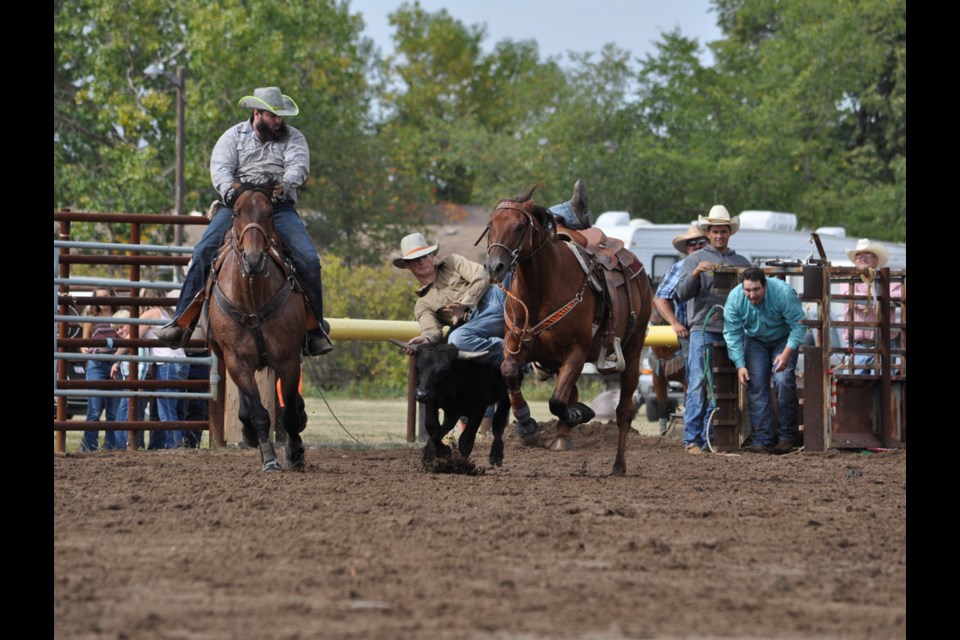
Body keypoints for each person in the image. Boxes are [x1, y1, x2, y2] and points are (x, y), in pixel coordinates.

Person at [156, 86, 333, 357]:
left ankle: (314, 329)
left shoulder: (293, 138)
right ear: (257, 113)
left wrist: (285, 184)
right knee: (203, 251)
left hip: (277, 207)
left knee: (309, 260)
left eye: (280, 116)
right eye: (273, 115)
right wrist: (233, 192)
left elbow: (299, 167)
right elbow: (221, 170)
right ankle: (183, 320)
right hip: (237, 207)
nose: (279, 121)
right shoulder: (232, 137)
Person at [392, 232, 508, 437]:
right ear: (408, 266)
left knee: (510, 269)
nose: (421, 261)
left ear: (431, 255)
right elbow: (432, 332)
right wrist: (425, 340)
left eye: (424, 255)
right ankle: (514, 352)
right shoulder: (423, 304)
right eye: (414, 260)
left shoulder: (453, 262)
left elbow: (482, 275)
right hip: (475, 327)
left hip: (496, 298)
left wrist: (464, 304)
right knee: (456, 339)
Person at [676, 205, 751, 454]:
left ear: (730, 232)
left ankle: (713, 437)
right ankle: (692, 440)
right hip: (703, 327)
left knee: (725, 385)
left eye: (723, 231)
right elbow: (682, 294)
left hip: (734, 330)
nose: (719, 235)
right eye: (715, 231)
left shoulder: (742, 263)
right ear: (708, 233)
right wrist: (696, 274)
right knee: (698, 382)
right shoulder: (694, 260)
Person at [723, 268, 806, 454]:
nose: (752, 295)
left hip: (783, 339)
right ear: (742, 287)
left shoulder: (783, 293)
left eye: (756, 290)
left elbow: (799, 325)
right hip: (755, 340)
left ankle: (786, 437)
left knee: (784, 381)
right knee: (756, 385)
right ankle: (762, 439)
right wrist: (740, 364)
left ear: (765, 285)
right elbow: (732, 332)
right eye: (748, 290)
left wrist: (786, 353)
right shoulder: (736, 298)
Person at [843, 238, 902, 374]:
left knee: (882, 387)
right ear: (855, 262)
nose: (862, 259)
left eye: (867, 255)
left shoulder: (888, 278)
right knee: (853, 386)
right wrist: (880, 299)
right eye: (859, 256)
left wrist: (874, 300)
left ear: (876, 260)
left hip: (884, 345)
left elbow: (899, 296)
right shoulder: (849, 279)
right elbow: (848, 296)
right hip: (857, 345)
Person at [653, 223, 709, 364]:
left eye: (701, 242)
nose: (697, 246)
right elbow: (661, 298)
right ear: (686, 249)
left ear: (708, 244)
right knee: (695, 377)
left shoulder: (719, 263)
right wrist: (675, 323)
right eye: (692, 243)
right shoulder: (678, 268)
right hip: (690, 333)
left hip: (718, 331)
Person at [142, 288, 189, 449]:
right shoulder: (171, 313)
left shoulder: (151, 313)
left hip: (167, 363)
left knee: (167, 410)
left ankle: (174, 445)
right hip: (181, 362)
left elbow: (133, 334)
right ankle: (167, 443)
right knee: (174, 408)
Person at [80, 288, 123, 452]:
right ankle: (89, 447)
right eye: (100, 297)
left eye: (106, 296)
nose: (104, 300)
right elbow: (84, 343)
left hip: (116, 363)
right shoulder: (91, 318)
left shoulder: (120, 317)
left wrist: (118, 360)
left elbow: (126, 337)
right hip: (97, 363)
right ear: (95, 300)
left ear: (112, 297)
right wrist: (84, 350)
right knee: (94, 410)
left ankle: (110, 448)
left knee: (113, 411)